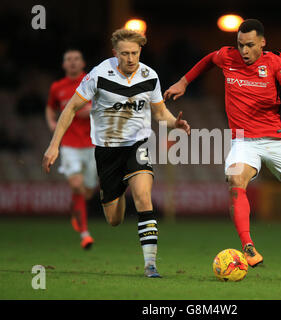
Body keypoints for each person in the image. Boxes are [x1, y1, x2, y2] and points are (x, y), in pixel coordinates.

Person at [164, 19, 281, 268]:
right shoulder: (227, 57)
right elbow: (208, 60)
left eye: (250, 45)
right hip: (243, 140)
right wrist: (183, 81)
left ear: (263, 43)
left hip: (276, 140)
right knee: (236, 181)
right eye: (240, 45)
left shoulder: (277, 62)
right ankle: (248, 246)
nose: (244, 51)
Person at [43, 29, 190, 278]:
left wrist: (175, 123)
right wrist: (54, 144)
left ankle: (150, 265)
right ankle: (117, 188)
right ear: (115, 53)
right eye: (125, 54)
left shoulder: (149, 76)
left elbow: (159, 113)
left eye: (134, 53)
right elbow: (70, 108)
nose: (130, 58)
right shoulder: (99, 74)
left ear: (140, 51)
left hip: (137, 144)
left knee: (144, 197)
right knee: (114, 219)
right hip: (107, 150)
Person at [46, 49, 97, 250]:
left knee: (88, 191)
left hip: (93, 143)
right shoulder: (57, 87)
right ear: (64, 65)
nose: (73, 62)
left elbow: (104, 105)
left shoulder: (92, 81)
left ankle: (75, 210)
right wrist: (51, 121)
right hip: (69, 145)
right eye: (69, 59)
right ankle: (85, 233)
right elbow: (50, 107)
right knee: (76, 185)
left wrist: (91, 110)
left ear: (83, 63)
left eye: (76, 59)